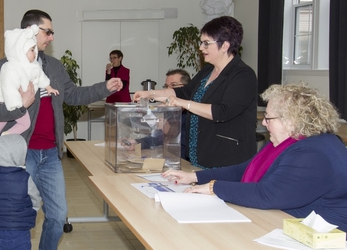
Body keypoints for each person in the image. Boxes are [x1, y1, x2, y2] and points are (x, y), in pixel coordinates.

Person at [0, 9, 123, 250]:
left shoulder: (54, 67)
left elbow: (72, 95)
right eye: (47, 31)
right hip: (21, 156)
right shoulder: (5, 67)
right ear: (31, 32)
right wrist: (21, 105)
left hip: (50, 153)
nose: (52, 36)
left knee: (58, 214)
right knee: (22, 216)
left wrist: (103, 88)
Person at [163, 83, 347, 232]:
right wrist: (194, 177)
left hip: (325, 240)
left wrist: (213, 187)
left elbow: (266, 195)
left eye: (269, 118)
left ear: (291, 121)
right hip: (288, 223)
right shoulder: (289, 142)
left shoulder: (312, 154)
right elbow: (241, 170)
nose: (264, 123)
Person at [133, 16, 257, 169]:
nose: (200, 48)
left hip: (226, 160)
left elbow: (222, 112)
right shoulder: (208, 70)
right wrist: (150, 94)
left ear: (225, 46)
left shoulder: (243, 75)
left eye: (206, 43)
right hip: (199, 155)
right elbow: (184, 92)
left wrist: (184, 104)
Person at [0, 25, 59, 145]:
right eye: (31, 50)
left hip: (18, 103)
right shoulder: (10, 67)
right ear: (21, 51)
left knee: (2, 121)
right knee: (23, 123)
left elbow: (40, 77)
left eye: (34, 50)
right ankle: (1, 135)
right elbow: (8, 87)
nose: (35, 53)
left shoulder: (34, 66)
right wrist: (17, 105)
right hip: (11, 101)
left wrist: (48, 87)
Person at [163, 69, 191, 159]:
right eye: (166, 86)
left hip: (186, 162)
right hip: (169, 158)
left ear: (186, 88)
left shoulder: (193, 111)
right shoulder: (169, 110)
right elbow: (159, 136)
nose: (168, 90)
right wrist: (137, 142)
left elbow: (193, 140)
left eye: (173, 85)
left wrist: (170, 131)